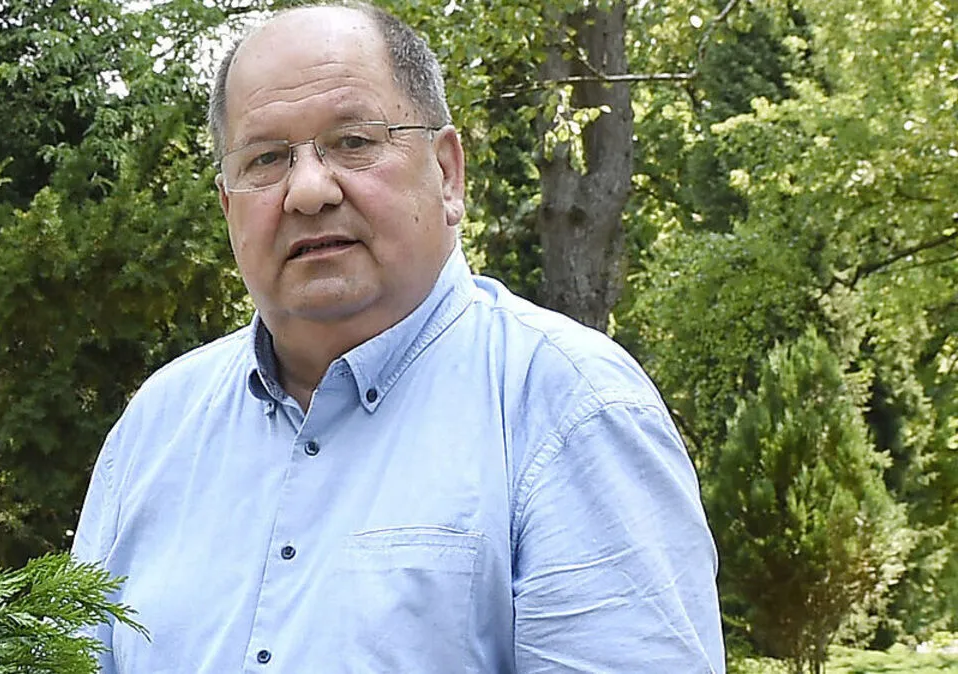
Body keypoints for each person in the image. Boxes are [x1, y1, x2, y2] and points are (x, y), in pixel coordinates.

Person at [72, 2, 725, 671]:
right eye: (266, 158)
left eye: (354, 142)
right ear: (227, 206)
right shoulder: (156, 430)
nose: (307, 190)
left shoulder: (569, 410)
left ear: (448, 173)